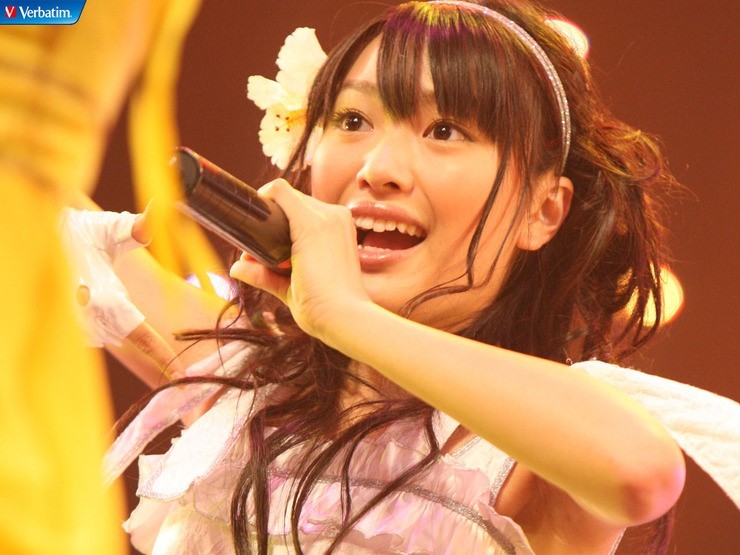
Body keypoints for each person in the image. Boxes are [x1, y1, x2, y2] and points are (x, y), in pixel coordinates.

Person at [67, 1, 739, 554]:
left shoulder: (538, 446)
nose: (378, 168)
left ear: (543, 212)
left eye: (445, 130)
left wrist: (346, 317)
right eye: (352, 120)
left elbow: (643, 474)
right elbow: (32, 195)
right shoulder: (243, 378)